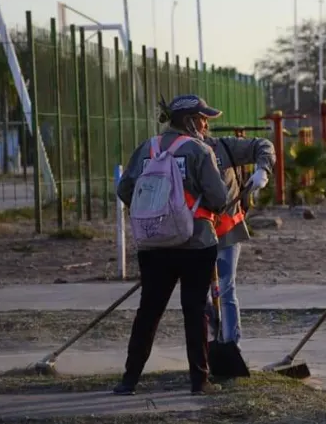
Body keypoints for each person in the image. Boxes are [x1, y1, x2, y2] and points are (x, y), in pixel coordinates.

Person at [114, 95, 229, 396]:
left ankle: (129, 381)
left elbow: (124, 189)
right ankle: (199, 381)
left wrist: (155, 213)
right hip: (196, 243)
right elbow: (218, 198)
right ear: (189, 121)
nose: (205, 125)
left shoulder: (147, 148)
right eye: (203, 119)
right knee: (195, 311)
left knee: (148, 312)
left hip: (153, 244)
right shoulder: (199, 150)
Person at [189, 122, 276, 348]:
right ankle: (208, 345)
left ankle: (231, 346)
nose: (201, 125)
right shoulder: (177, 152)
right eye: (195, 119)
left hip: (227, 231)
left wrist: (262, 170)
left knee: (225, 288)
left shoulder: (224, 147)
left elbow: (263, 146)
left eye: (202, 119)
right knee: (200, 295)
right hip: (194, 236)